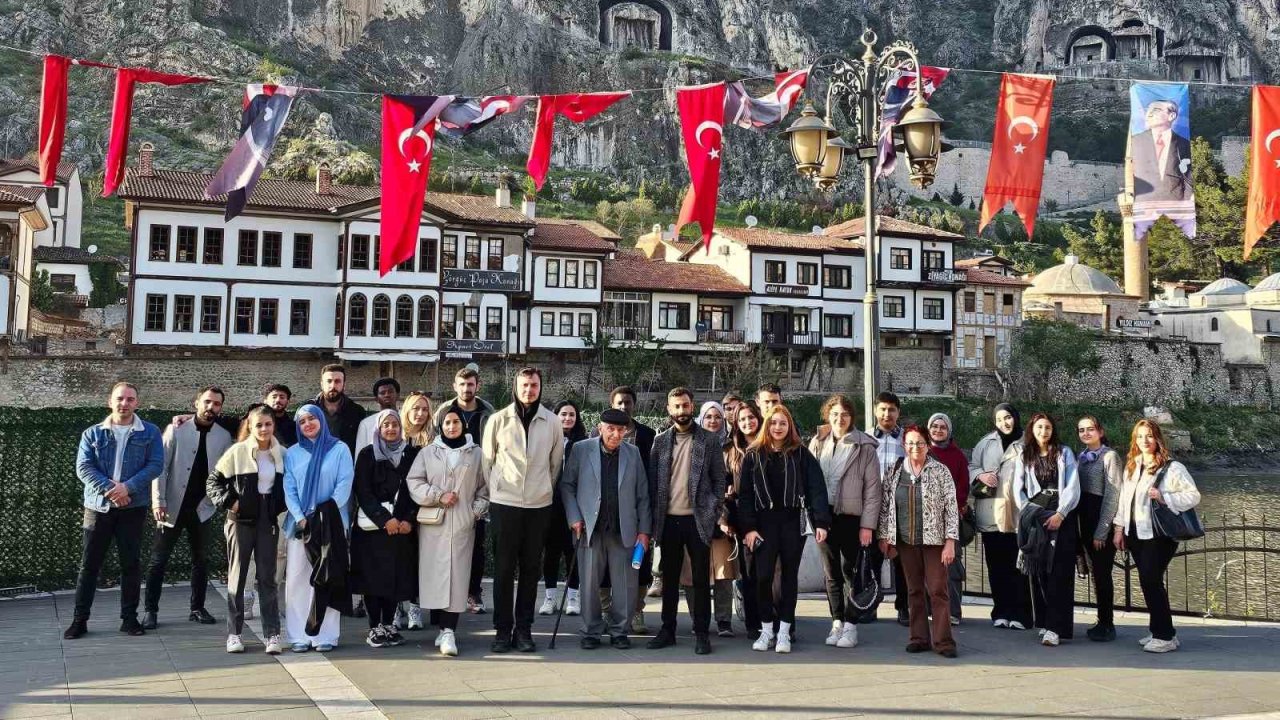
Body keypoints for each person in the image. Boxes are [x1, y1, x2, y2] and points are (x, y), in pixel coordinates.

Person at [64, 382, 165, 640]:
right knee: (89, 566)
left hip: (133, 508)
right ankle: (79, 620)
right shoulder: (93, 433)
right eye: (120, 398)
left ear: (137, 403)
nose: (125, 403)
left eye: (130, 399)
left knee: (130, 565)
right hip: (98, 507)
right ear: (110, 401)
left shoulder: (150, 432)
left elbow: (155, 465)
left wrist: (127, 489)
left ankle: (129, 619)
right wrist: (112, 490)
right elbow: (83, 468)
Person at [481, 367, 565, 653]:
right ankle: (503, 630)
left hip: (538, 505)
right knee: (504, 570)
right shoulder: (497, 420)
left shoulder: (552, 422)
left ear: (541, 387)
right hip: (505, 503)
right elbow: (487, 461)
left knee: (531, 570)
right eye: (524, 385)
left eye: (534, 385)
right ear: (515, 386)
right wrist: (498, 490)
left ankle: (524, 629)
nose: (529, 390)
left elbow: (556, 464)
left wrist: (542, 489)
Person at [739, 406, 831, 654]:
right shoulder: (753, 455)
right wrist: (748, 528)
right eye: (773, 423)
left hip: (793, 522)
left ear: (789, 426)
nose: (778, 428)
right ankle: (766, 629)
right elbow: (744, 496)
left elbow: (816, 489)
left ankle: (784, 632)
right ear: (766, 425)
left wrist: (821, 522)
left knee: (790, 579)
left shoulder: (801, 454)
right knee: (763, 578)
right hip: (763, 523)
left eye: (783, 423)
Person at [143, 386, 233, 630]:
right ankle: (150, 610)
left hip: (202, 508)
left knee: (201, 561)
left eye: (216, 404)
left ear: (220, 408)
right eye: (207, 402)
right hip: (172, 506)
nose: (211, 407)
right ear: (196, 403)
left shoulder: (224, 437)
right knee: (158, 561)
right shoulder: (176, 429)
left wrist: (215, 502)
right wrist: (158, 501)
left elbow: (225, 475)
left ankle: (197, 607)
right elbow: (160, 467)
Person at [561, 409, 651, 649]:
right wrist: (574, 517)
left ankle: (619, 630)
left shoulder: (633, 454)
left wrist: (644, 532)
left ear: (626, 431)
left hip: (624, 530)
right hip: (590, 529)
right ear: (600, 428)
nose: (615, 434)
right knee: (589, 583)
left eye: (620, 430)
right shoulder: (582, 450)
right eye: (610, 428)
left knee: (625, 585)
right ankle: (591, 630)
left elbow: (643, 495)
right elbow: (567, 486)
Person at [647, 387, 726, 656]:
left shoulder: (709, 440)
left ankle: (702, 633)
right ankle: (667, 629)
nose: (681, 410)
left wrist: (713, 509)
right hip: (668, 521)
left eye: (685, 405)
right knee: (668, 579)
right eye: (676, 406)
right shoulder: (660, 442)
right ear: (669, 409)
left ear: (693, 407)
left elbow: (719, 479)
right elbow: (652, 483)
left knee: (701, 580)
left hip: (697, 521)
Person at [407, 407, 489, 657]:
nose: (451, 427)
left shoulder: (476, 454)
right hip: (434, 525)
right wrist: (438, 495)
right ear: (440, 426)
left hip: (463, 524)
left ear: (463, 425)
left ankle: (449, 630)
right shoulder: (428, 453)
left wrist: (474, 511)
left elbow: (485, 487)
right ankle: (441, 628)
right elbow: (414, 481)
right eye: (447, 423)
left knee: (457, 577)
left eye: (455, 422)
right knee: (435, 576)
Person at [1113, 420, 1200, 653]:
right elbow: (1124, 500)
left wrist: (1163, 496)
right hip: (1135, 533)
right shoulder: (1133, 465)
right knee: (1148, 581)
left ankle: (1165, 636)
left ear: (1157, 438)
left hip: (1159, 534)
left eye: (1149, 436)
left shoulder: (1172, 468)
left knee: (1151, 580)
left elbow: (1193, 496)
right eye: (1140, 436)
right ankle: (1157, 629)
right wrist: (1119, 529)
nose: (1144, 441)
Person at [206, 405, 286, 654]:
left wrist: (277, 507)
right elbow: (213, 481)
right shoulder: (237, 451)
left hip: (268, 519)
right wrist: (232, 502)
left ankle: (272, 634)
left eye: (268, 424)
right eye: (258, 424)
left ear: (274, 426)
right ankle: (234, 634)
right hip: (240, 520)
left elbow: (290, 485)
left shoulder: (283, 453)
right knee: (238, 576)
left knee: (268, 577)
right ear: (250, 426)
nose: (263, 429)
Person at [878, 425, 960, 658]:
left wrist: (950, 541)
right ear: (904, 445)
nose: (915, 448)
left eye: (920, 443)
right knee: (913, 590)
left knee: (937, 590)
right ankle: (919, 637)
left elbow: (951, 508)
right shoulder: (894, 471)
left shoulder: (940, 471)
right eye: (911, 443)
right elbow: (885, 507)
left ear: (927, 445)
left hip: (934, 541)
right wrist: (884, 536)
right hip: (905, 540)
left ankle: (944, 641)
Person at [808, 394, 880, 649]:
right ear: (828, 415)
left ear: (852, 418)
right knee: (831, 573)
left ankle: (851, 624)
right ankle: (836, 621)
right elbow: (809, 482)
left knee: (852, 572)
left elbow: (873, 491)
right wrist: (812, 517)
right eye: (835, 414)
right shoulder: (817, 442)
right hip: (823, 517)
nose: (840, 419)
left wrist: (867, 526)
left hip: (852, 518)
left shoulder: (865, 447)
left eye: (845, 415)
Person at [283, 405, 355, 652]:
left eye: (312, 418)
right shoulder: (292, 453)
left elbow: (344, 484)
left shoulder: (339, 449)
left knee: (328, 577)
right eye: (302, 421)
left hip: (331, 525)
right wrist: (301, 518)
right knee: (297, 579)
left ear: (321, 420)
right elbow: (289, 488)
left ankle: (325, 635)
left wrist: (324, 515)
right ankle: (299, 635)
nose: (308, 424)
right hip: (301, 526)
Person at [351, 409, 420, 649]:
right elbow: (363, 491)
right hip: (373, 529)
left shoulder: (412, 454)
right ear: (378, 429)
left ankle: (390, 624)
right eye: (386, 425)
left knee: (395, 577)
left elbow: (417, 489)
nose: (390, 429)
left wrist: (408, 520)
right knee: (373, 579)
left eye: (395, 425)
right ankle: (374, 626)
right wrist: (385, 519)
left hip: (401, 528)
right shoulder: (368, 455)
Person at [1013, 412, 1080, 647]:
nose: (1044, 432)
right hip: (1035, 514)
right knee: (1040, 570)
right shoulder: (1025, 455)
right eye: (1040, 427)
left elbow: (1072, 485)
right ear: (1032, 429)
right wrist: (1027, 510)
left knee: (1059, 572)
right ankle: (1046, 621)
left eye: (1048, 427)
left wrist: (1062, 513)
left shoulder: (1064, 453)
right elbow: (1017, 488)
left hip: (1061, 515)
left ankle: (1056, 628)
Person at [433, 367, 496, 615]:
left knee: (476, 541)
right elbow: (433, 443)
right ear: (455, 386)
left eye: (470, 384)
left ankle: (473, 592)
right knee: (444, 543)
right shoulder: (444, 411)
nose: (466, 389)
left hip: (477, 481)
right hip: (448, 485)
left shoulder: (488, 412)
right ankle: (444, 593)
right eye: (462, 384)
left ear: (477, 386)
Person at [969, 403, 1031, 630]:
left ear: (1015, 417)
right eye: (1000, 419)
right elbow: (972, 466)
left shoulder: (1028, 441)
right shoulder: (985, 443)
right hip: (991, 512)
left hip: (1017, 514)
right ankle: (1001, 611)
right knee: (996, 567)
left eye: (1008, 418)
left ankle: (1022, 613)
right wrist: (981, 475)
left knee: (1019, 566)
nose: (1005, 423)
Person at [604, 386, 657, 634]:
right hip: (607, 512)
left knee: (640, 564)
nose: (624, 407)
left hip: (638, 510)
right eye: (619, 403)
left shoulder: (648, 435)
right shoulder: (599, 434)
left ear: (634, 405)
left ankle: (636, 610)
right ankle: (606, 611)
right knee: (604, 566)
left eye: (628, 402)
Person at [684, 401, 735, 637]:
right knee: (693, 573)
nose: (713, 421)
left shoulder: (731, 444)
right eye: (708, 417)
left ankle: (724, 620)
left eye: (717, 417)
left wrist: (721, 513)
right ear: (700, 420)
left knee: (724, 573)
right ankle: (697, 619)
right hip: (693, 517)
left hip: (721, 518)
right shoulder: (692, 443)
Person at [1075, 415, 1122, 642]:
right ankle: (1102, 619)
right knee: (1094, 573)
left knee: (1102, 574)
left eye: (1090, 429)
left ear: (1100, 431)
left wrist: (1102, 531)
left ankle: (1107, 623)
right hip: (1084, 518)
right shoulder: (1081, 457)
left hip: (1100, 520)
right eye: (1082, 430)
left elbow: (1113, 495)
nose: (1086, 433)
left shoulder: (1110, 456)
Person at [542, 400, 586, 617]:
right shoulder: (547, 439)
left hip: (575, 505)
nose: (567, 418)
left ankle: (573, 597)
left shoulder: (583, 443)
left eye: (571, 414)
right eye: (563, 414)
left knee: (572, 553)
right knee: (551, 552)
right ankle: (549, 598)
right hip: (550, 505)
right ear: (555, 416)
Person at [926, 413, 970, 626]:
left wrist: (949, 507)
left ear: (948, 430)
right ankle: (928, 609)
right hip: (926, 518)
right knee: (927, 566)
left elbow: (963, 488)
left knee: (951, 567)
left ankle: (953, 611)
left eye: (943, 427)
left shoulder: (958, 456)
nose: (938, 430)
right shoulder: (923, 451)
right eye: (934, 426)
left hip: (951, 517)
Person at [724, 401, 762, 639]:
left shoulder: (770, 444)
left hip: (770, 517)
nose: (748, 423)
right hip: (742, 518)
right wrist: (725, 518)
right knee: (748, 574)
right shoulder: (729, 451)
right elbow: (723, 488)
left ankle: (775, 619)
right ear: (736, 424)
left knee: (771, 573)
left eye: (751, 417)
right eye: (742, 419)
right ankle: (753, 623)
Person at [872, 391, 908, 625]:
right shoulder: (865, 438)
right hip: (873, 507)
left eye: (892, 410)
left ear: (898, 412)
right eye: (883, 409)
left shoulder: (908, 439)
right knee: (871, 559)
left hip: (899, 508)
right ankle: (869, 605)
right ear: (876, 411)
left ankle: (904, 607)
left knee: (902, 561)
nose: (887, 414)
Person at [1131, 99, 1193, 202]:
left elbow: (1188, 177)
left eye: (1155, 110)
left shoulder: (1184, 144)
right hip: (1143, 204)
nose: (1149, 114)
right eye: (1148, 110)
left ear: (1171, 116)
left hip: (1175, 204)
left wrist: (1185, 203)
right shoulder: (1136, 141)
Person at [313, 365, 367, 456]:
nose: (333, 385)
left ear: (344, 384)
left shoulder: (357, 412)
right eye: (329, 381)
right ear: (322, 384)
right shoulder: (309, 409)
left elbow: (361, 444)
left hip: (345, 464)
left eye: (337, 381)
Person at [355, 377, 401, 456]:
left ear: (398, 395)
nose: (387, 395)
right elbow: (359, 455)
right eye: (382, 393)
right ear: (376, 399)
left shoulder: (406, 420)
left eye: (390, 391)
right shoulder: (366, 424)